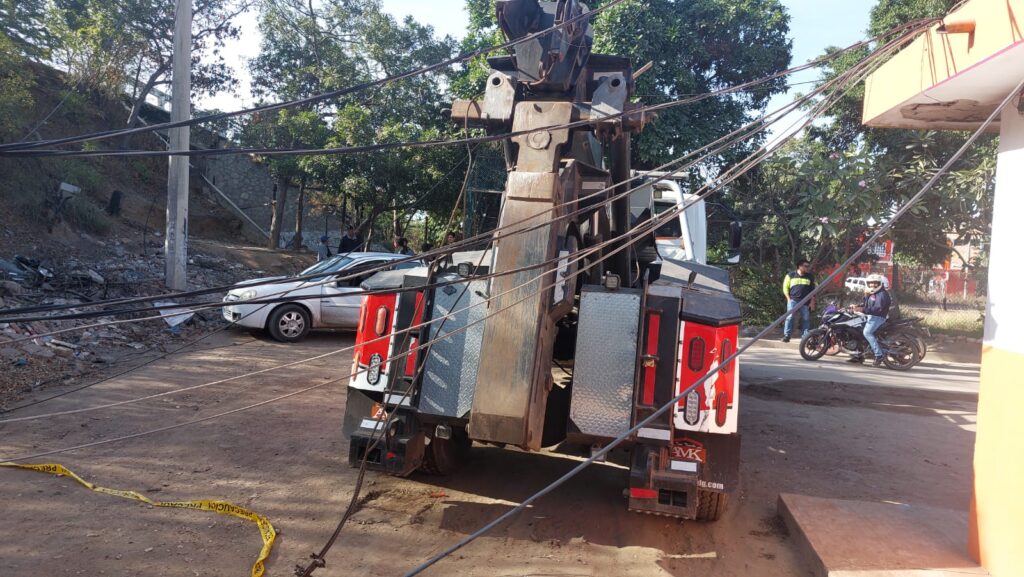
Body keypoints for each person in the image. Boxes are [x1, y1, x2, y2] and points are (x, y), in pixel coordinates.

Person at [849, 273, 892, 367]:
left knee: (867, 333)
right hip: (871, 316)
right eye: (870, 283)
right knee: (858, 329)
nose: (872, 285)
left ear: (879, 283)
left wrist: (863, 309)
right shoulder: (873, 293)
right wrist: (857, 306)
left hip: (877, 317)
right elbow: (866, 305)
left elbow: (877, 309)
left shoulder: (882, 294)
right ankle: (859, 355)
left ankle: (879, 355)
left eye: (875, 283)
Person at [782, 259, 816, 342]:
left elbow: (813, 291)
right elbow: (785, 288)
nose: (807, 268)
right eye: (805, 266)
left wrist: (812, 302)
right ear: (800, 266)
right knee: (789, 317)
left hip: (806, 301)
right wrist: (789, 299)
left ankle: (805, 337)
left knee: (806, 318)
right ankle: (787, 335)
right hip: (793, 300)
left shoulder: (810, 276)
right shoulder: (790, 275)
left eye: (808, 266)